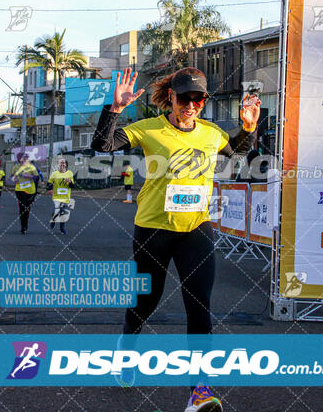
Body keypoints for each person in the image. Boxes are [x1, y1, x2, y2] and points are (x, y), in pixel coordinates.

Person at [91, 67, 260, 411]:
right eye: (185, 98)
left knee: (199, 307)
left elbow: (238, 153)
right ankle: (127, 347)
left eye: (199, 99)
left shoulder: (211, 134)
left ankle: (199, 390)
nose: (192, 105)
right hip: (153, 230)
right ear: (172, 96)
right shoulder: (150, 129)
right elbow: (102, 145)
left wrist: (248, 127)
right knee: (145, 303)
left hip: (196, 229)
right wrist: (115, 110)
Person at [11, 152, 39, 234]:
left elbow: (36, 177)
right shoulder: (16, 167)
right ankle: (22, 226)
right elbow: (12, 177)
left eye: (27, 157)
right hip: (20, 189)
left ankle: (25, 225)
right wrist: (14, 179)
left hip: (30, 190)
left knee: (27, 209)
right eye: (24, 158)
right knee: (22, 207)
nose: (26, 159)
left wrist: (28, 176)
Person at [47, 158, 74, 235]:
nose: (62, 164)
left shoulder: (70, 173)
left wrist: (69, 182)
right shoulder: (54, 174)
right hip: (56, 196)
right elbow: (49, 183)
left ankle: (62, 229)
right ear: (58, 165)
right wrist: (50, 189)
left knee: (63, 213)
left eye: (64, 163)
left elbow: (72, 186)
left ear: (66, 165)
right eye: (60, 163)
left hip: (66, 197)